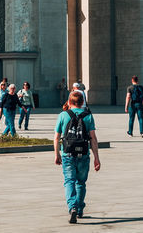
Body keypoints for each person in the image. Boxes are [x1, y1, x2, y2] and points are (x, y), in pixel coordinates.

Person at [54, 88, 100, 224]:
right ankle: (79, 209)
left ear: (69, 102)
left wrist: (57, 154)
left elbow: (56, 138)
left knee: (69, 181)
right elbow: (93, 138)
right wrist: (97, 157)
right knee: (81, 182)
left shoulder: (63, 115)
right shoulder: (88, 116)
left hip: (67, 153)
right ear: (82, 103)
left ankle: (72, 206)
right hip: (83, 153)